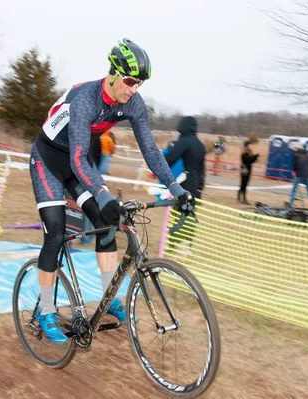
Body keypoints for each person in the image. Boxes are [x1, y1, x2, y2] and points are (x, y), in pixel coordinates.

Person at [28, 38, 194, 343]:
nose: (133, 89)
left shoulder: (133, 103)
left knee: (106, 224)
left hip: (78, 164)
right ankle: (47, 311)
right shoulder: (84, 100)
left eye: (139, 84)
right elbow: (78, 157)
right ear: (114, 73)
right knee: (55, 232)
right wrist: (103, 194)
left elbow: (150, 150)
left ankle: (109, 297)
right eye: (130, 81)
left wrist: (175, 187)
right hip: (49, 161)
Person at [164, 116, 206, 253]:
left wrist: (166, 152)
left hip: (184, 184)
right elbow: (202, 169)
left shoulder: (183, 142)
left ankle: (171, 245)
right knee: (190, 214)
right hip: (196, 185)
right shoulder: (200, 144)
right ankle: (188, 246)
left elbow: (169, 159)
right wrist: (200, 186)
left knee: (177, 214)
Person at [289, 142, 308, 209]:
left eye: (294, 148)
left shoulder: (296, 155)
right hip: (307, 176)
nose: (293, 149)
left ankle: (291, 205)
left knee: (293, 190)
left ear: (297, 148)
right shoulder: (307, 155)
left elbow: (294, 166)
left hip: (299, 175)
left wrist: (294, 172)